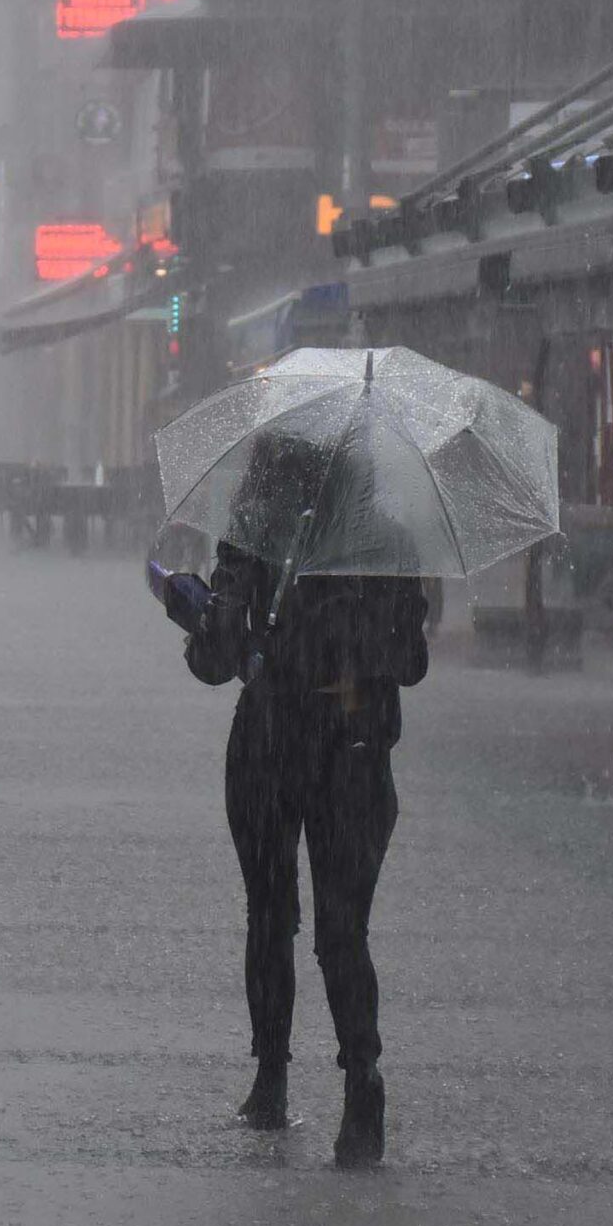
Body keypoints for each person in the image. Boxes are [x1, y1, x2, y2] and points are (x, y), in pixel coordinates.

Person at [155, 432, 430, 1166]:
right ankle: (350, 1082)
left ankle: (281, 1080)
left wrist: (205, 618)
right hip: (348, 755)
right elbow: (412, 661)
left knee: (276, 916)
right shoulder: (386, 546)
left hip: (284, 747)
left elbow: (216, 662)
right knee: (339, 930)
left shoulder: (261, 540)